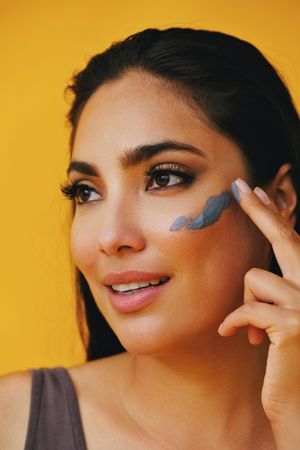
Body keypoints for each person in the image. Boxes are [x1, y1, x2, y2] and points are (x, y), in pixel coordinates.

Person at [1, 27, 300, 450]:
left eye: (164, 178)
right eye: (86, 192)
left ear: (278, 198)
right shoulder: (9, 425)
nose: (111, 236)